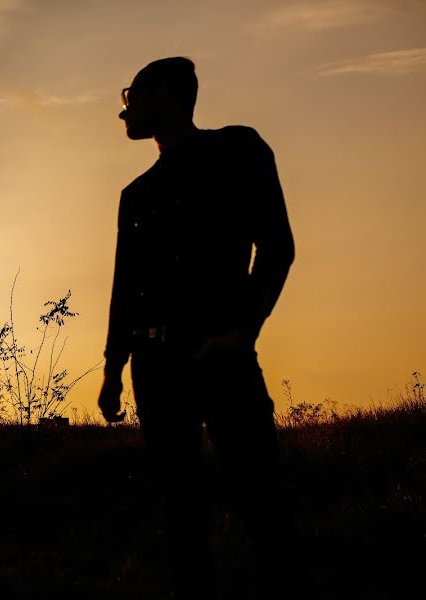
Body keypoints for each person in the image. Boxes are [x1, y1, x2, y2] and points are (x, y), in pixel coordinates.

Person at [98, 57, 304, 599]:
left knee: (261, 502)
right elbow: (125, 287)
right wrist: (114, 368)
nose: (123, 110)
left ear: (165, 92)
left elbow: (277, 246)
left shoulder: (237, 150)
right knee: (180, 516)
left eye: (132, 94)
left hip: (221, 357)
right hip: (155, 368)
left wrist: (245, 331)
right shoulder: (135, 195)